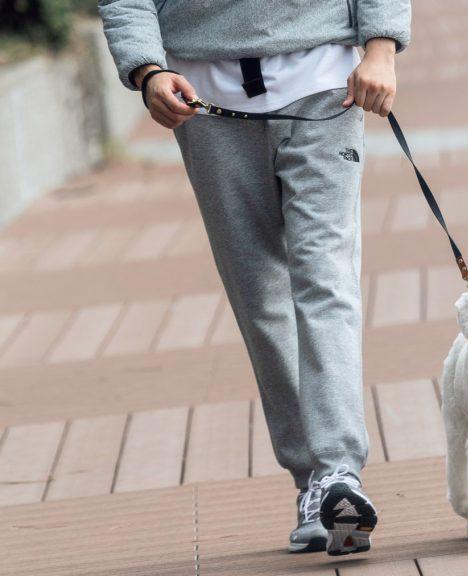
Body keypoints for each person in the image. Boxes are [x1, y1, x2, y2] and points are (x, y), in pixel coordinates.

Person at [98, 0, 411, 556]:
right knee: (258, 294)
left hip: (324, 84)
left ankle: (339, 471)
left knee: (325, 276)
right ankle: (313, 483)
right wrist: (146, 71)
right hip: (203, 99)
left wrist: (381, 47)